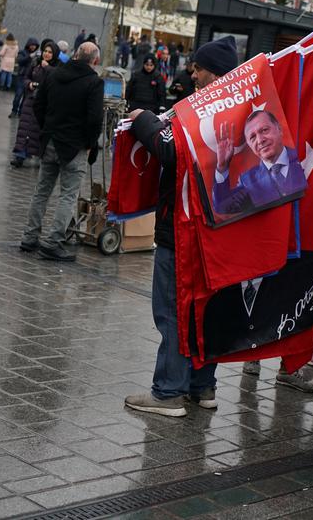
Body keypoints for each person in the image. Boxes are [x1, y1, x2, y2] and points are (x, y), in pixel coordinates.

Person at [124, 36, 238, 417]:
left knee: (173, 310)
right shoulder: (240, 106)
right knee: (206, 311)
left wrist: (142, 121)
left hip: (185, 230)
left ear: (215, 73)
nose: (193, 74)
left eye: (199, 68)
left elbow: (172, 149)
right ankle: (202, 387)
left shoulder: (210, 109)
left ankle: (168, 391)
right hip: (219, 231)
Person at [18, 43, 104, 262]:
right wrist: (89, 143)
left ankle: (30, 237)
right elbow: (95, 119)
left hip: (51, 140)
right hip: (75, 146)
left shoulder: (54, 74)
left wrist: (47, 128)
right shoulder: (94, 82)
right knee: (68, 194)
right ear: (94, 60)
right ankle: (53, 242)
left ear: (75, 55)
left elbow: (38, 104)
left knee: (42, 191)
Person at [211, 110, 307, 216]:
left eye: (264, 130)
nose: (260, 140)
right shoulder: (247, 180)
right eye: (253, 137)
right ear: (249, 145)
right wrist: (222, 167)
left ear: (279, 129)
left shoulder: (304, 156)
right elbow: (222, 206)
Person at [11, 39, 56, 167]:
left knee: (36, 130)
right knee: (24, 128)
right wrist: (29, 84)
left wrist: (47, 68)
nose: (46, 54)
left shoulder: (55, 67)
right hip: (30, 100)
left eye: (50, 52)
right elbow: (26, 77)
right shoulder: (35, 63)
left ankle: (36, 155)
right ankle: (20, 155)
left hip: (43, 104)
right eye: (45, 51)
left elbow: (54, 81)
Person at [10, 37, 39, 118]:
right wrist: (30, 56)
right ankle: (14, 111)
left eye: (35, 45)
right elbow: (20, 61)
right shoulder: (22, 52)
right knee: (18, 95)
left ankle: (21, 112)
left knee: (26, 97)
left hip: (30, 78)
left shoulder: (37, 55)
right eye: (32, 45)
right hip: (21, 77)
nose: (33, 47)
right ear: (28, 45)